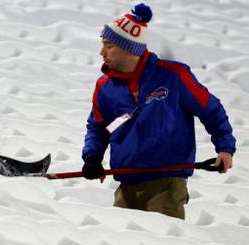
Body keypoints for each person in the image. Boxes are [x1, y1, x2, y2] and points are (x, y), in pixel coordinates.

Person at [81, 3, 236, 220]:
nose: (101, 52)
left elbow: (211, 109)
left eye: (109, 45)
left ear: (129, 47)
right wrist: (92, 157)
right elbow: (98, 127)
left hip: (167, 184)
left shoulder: (174, 76)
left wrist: (225, 148)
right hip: (126, 185)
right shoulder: (105, 87)